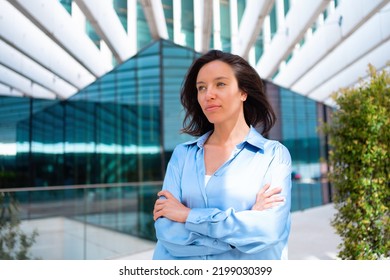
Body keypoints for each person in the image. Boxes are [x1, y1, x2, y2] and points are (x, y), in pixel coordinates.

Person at [152, 50, 292, 260]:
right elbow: (167, 231)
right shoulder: (183, 156)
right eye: (201, 87)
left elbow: (268, 230)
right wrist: (243, 229)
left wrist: (187, 215)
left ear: (243, 92)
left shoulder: (273, 156)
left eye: (220, 84)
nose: (208, 94)